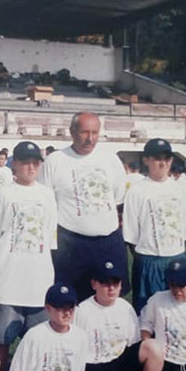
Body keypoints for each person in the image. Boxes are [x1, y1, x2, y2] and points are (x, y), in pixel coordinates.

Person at [38, 112, 128, 302]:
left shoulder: (111, 160)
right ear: (72, 132)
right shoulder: (55, 161)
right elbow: (44, 203)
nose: (90, 139)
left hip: (108, 242)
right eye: (84, 132)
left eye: (95, 133)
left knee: (109, 300)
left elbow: (118, 200)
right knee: (69, 301)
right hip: (71, 244)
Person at [0, 141, 57, 371]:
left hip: (39, 281)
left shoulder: (47, 194)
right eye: (25, 162)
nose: (30, 167)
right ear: (14, 163)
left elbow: (49, 236)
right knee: (0, 340)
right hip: (8, 281)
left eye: (35, 162)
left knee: (37, 342)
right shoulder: (3, 193)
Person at [74, 260, 165, 371]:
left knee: (153, 347)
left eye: (115, 283)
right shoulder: (82, 310)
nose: (111, 288)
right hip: (95, 367)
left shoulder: (125, 307)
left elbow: (134, 343)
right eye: (105, 283)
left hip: (119, 363)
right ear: (94, 284)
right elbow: (77, 352)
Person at [122, 138, 186, 313]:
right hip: (148, 261)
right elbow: (131, 236)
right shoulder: (137, 191)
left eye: (167, 158)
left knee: (179, 311)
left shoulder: (181, 190)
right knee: (148, 313)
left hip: (177, 258)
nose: (163, 163)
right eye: (157, 158)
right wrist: (147, 260)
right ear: (146, 160)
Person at [8, 283, 106, 371]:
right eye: (61, 308)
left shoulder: (80, 336)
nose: (67, 313)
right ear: (48, 308)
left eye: (70, 308)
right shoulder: (35, 334)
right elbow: (19, 367)